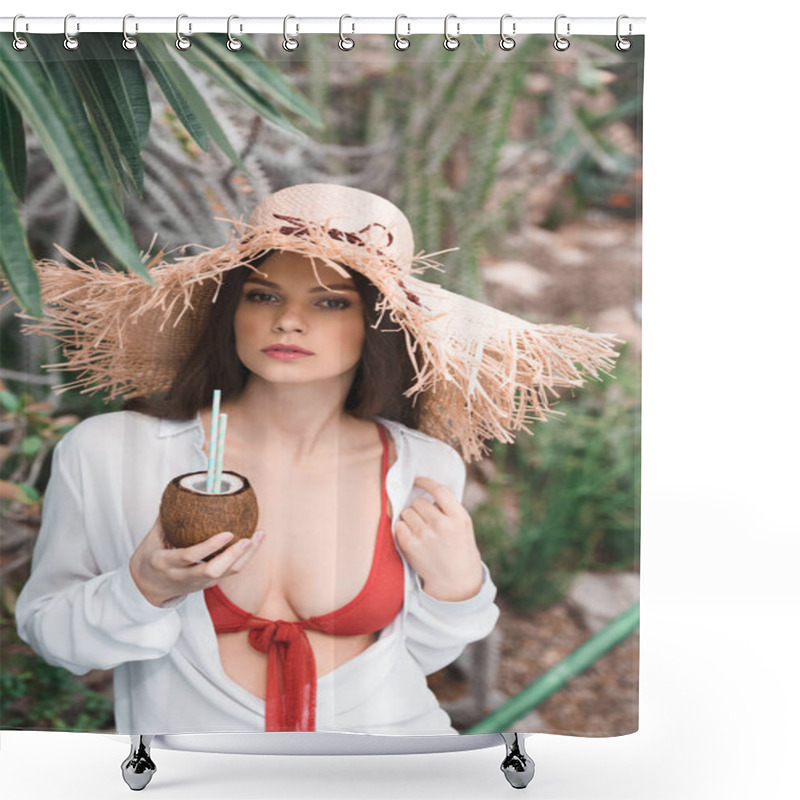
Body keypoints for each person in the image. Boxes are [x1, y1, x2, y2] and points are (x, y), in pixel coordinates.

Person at [11, 184, 621, 736]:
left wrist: (458, 588)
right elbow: (53, 637)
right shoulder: (111, 452)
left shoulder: (422, 466)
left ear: (379, 324)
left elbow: (424, 656)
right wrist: (144, 586)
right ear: (233, 311)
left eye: (331, 302)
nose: (289, 320)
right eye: (263, 294)